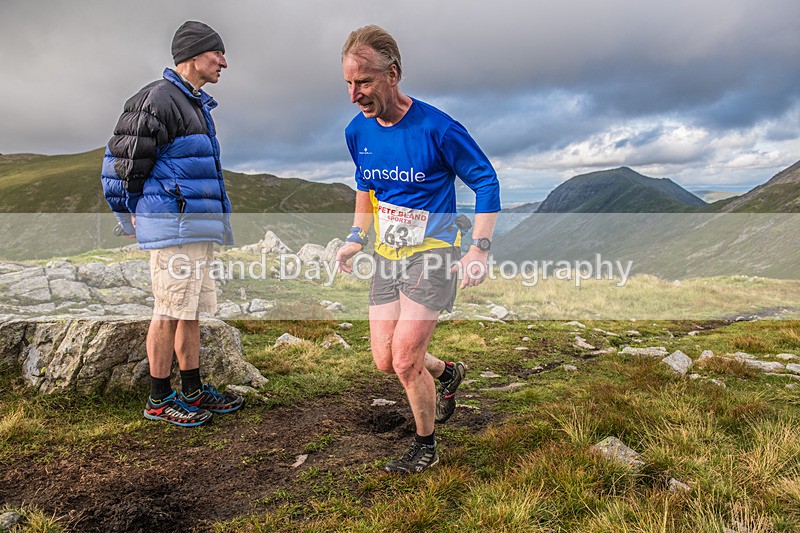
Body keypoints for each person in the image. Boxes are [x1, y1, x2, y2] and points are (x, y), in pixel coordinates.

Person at [336, 25, 501, 473]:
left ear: (393, 74)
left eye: (364, 82)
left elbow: (486, 180)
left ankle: (425, 445)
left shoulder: (438, 128)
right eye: (349, 83)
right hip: (387, 255)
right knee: (385, 360)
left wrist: (478, 249)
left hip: (433, 253)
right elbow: (365, 186)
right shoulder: (357, 132)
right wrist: (356, 237)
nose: (355, 95)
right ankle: (447, 373)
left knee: (406, 360)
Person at [101, 21, 243, 427]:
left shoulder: (193, 102)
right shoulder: (159, 99)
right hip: (174, 227)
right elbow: (119, 164)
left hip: (194, 227)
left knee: (190, 311)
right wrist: (131, 215)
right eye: (218, 53)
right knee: (167, 311)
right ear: (195, 55)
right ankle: (159, 399)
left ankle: (193, 390)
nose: (224, 63)